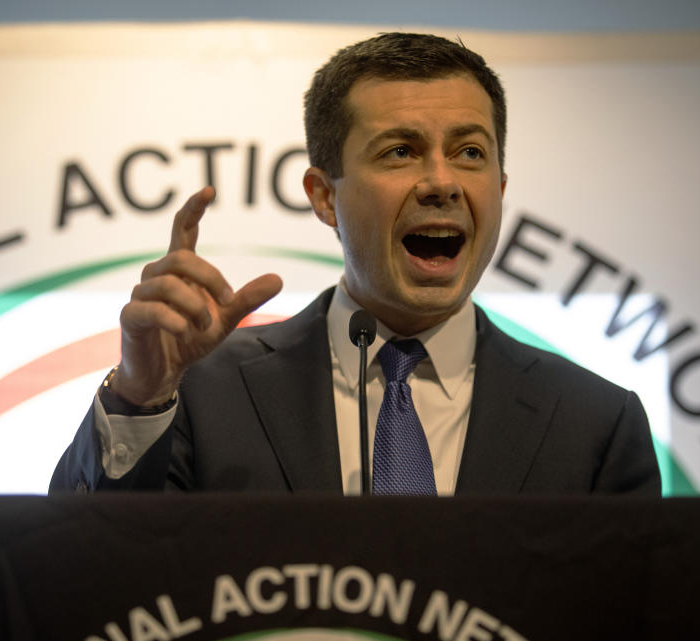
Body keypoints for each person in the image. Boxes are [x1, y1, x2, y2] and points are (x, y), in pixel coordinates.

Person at [50, 32, 661, 496]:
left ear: (500, 186)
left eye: (469, 152)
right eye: (401, 151)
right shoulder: (203, 396)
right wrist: (140, 393)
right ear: (323, 196)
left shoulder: (595, 424)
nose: (442, 182)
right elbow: (82, 573)